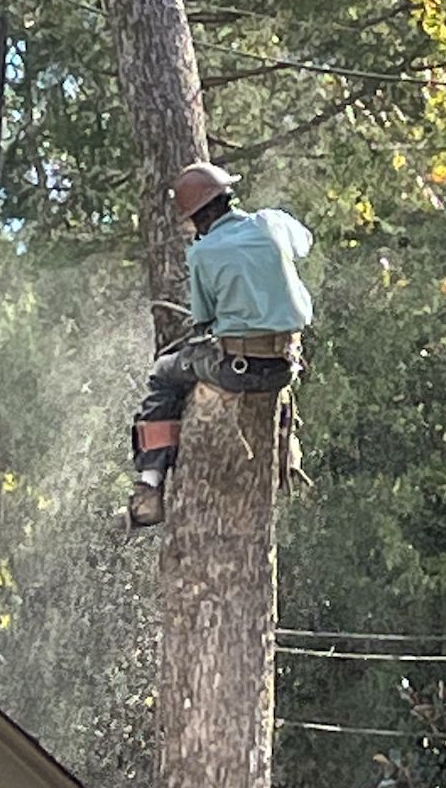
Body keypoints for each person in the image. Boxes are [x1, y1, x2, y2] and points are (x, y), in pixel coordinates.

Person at [122, 161, 313, 529]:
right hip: (284, 365)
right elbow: (304, 243)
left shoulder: (203, 252)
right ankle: (287, 451)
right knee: (276, 371)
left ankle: (148, 488)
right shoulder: (271, 222)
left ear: (202, 215)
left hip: (237, 368)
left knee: (164, 374)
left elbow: (204, 318)